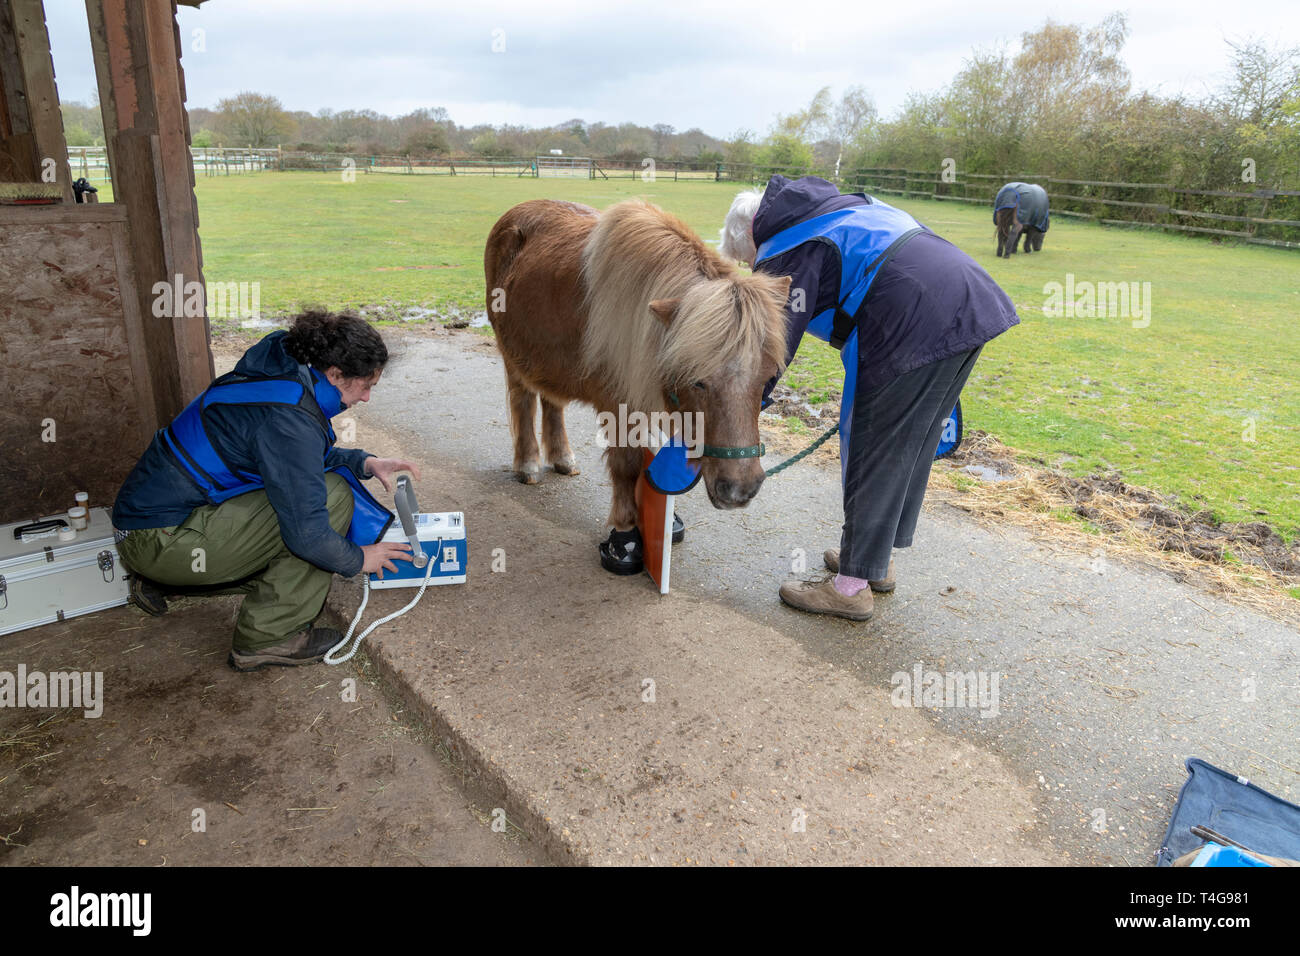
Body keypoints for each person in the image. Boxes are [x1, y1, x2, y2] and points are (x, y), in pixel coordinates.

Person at [719, 175, 1019, 621]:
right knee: (906, 446)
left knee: (874, 447)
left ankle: (850, 588)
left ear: (750, 234)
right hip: (966, 302)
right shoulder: (830, 209)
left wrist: (737, 410)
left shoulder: (786, 246)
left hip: (911, 322)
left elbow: (768, 349)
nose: (752, 270)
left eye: (747, 261)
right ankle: (873, 563)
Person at [112, 310, 419, 670]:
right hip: (161, 540)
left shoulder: (283, 364)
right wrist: (361, 559)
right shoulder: (288, 418)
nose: (366, 397)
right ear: (335, 374)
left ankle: (168, 582)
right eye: (365, 386)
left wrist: (364, 462)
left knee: (299, 506)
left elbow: (287, 458)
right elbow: (308, 533)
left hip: (147, 526)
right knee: (329, 500)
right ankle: (268, 638)